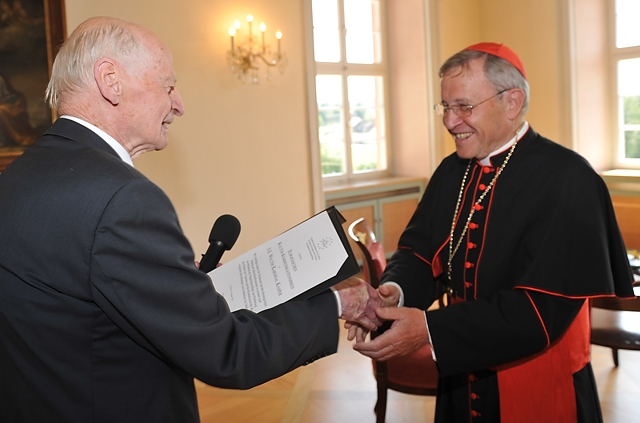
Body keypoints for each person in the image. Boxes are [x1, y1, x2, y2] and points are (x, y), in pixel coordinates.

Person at [0, 17, 383, 423]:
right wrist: (338, 302)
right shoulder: (124, 200)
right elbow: (227, 352)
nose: (179, 104)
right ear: (110, 80)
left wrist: (181, 286)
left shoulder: (19, 176)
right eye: (168, 86)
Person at [351, 42, 636, 423]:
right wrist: (395, 292)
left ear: (512, 102)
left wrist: (431, 330)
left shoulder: (568, 179)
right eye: (445, 107)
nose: (451, 121)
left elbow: (540, 312)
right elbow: (420, 252)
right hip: (459, 367)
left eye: (464, 107)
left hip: (536, 380)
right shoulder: (454, 170)